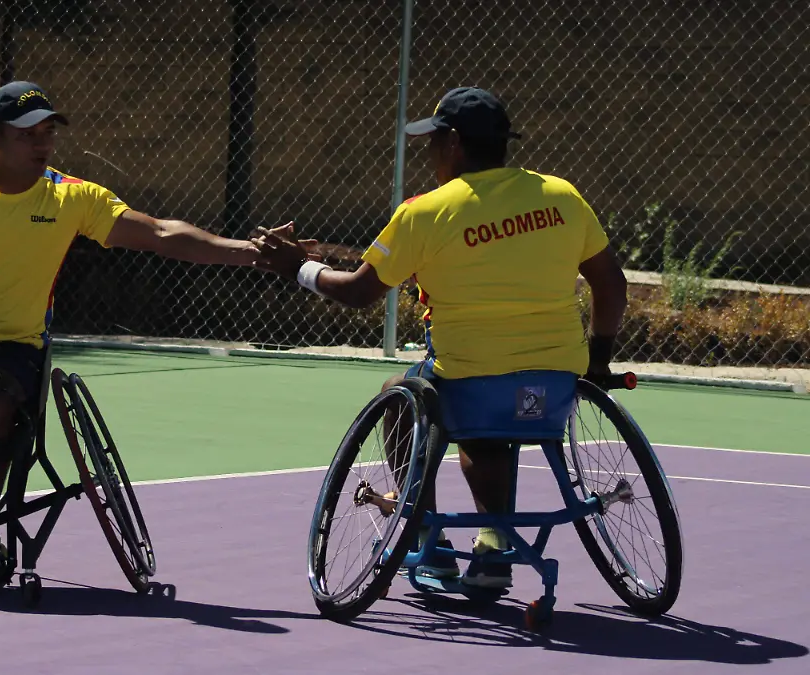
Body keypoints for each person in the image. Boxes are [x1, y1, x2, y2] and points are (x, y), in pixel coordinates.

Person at [0, 81, 261, 583]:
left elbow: (161, 233)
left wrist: (250, 251)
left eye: (47, 133)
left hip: (17, 347)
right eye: (26, 135)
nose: (42, 144)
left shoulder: (72, 197)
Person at [250, 87, 628, 589]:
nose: (428, 154)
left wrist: (299, 267)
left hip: (471, 380)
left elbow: (360, 291)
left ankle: (427, 537)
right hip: (554, 389)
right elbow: (612, 284)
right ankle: (496, 545)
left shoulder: (424, 213)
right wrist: (598, 364)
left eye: (431, 143)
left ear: (452, 143)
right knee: (488, 418)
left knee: (400, 395)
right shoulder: (562, 195)